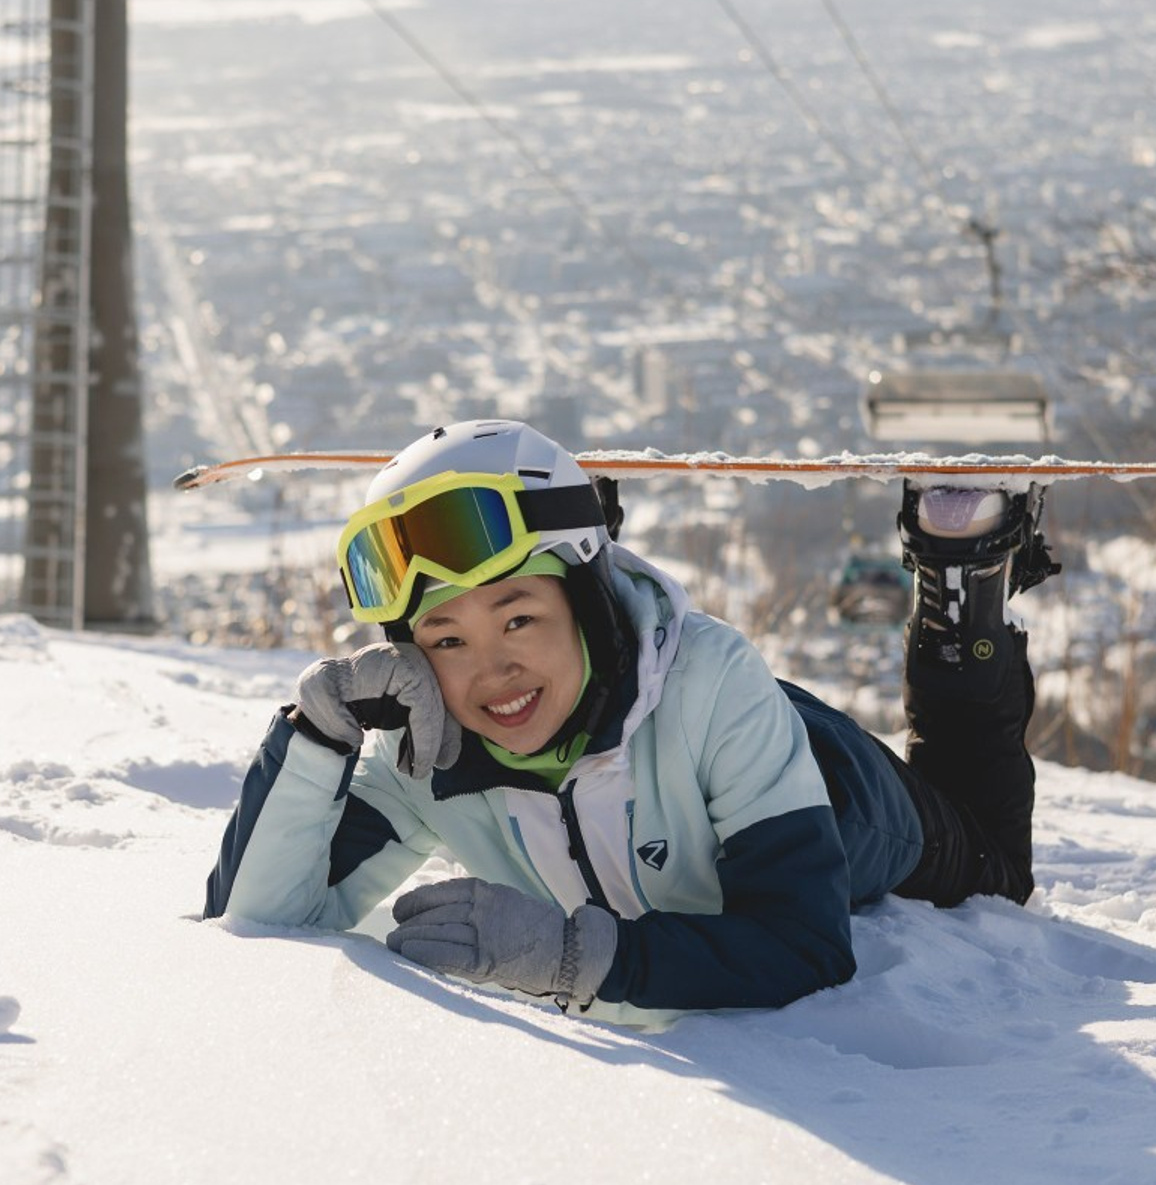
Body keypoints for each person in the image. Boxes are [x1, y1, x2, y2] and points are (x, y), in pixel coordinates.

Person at [204, 419, 1059, 1028]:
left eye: (518, 618)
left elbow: (803, 948)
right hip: (643, 695)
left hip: (835, 794)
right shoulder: (426, 755)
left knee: (994, 867)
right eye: (448, 639)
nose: (491, 670)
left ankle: (965, 577)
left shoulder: (715, 683)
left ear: (581, 601)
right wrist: (314, 737)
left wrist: (575, 955)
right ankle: (577, 523)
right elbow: (263, 924)